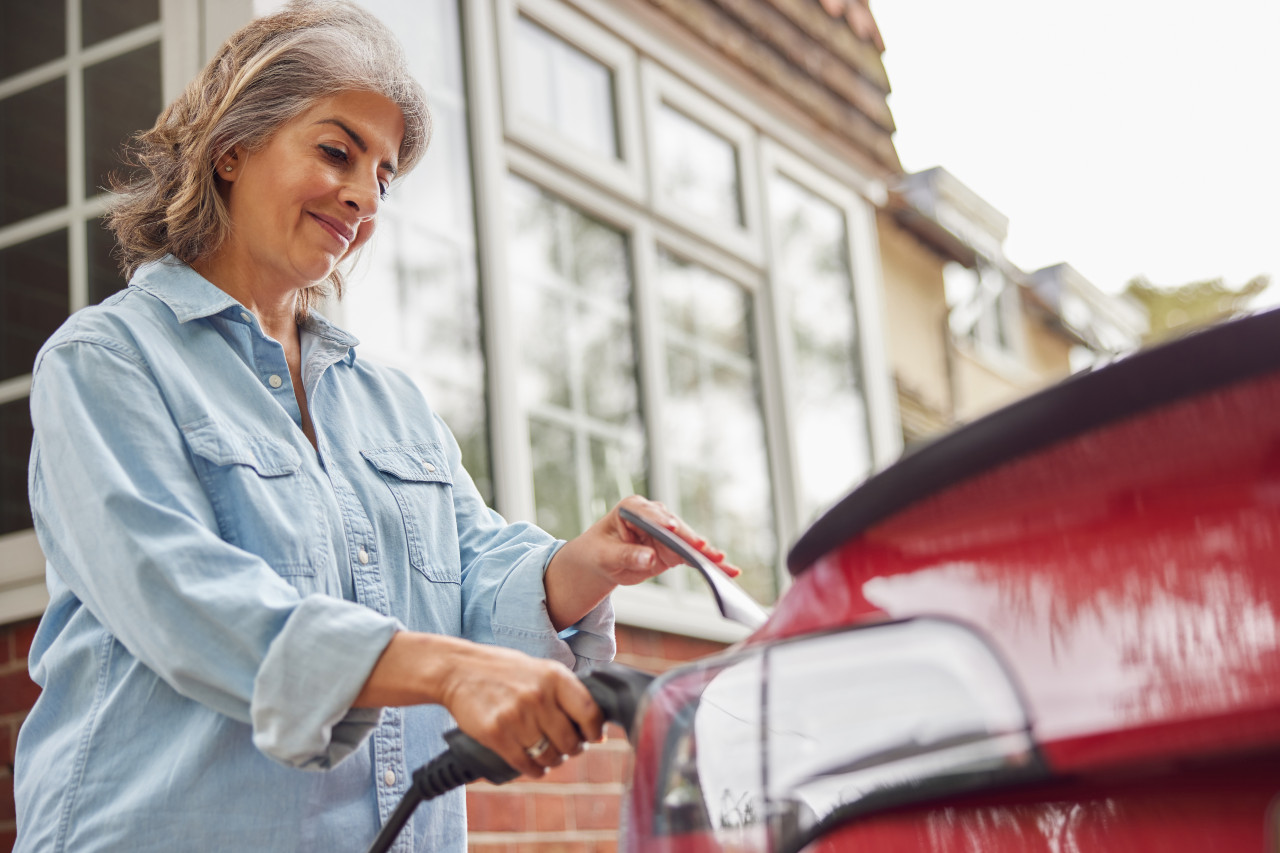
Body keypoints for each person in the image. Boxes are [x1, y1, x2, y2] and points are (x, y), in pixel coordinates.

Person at [12, 2, 737, 850]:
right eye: (336, 150)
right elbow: (183, 598)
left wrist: (579, 566)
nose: (363, 194)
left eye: (384, 176)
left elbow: (469, 570)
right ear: (232, 149)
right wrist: (449, 670)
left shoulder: (389, 402)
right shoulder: (107, 362)